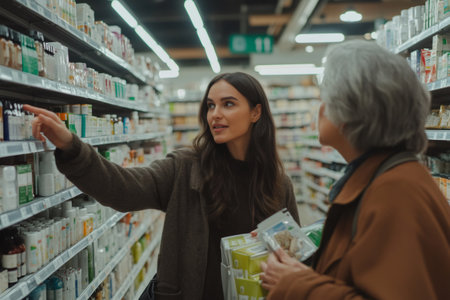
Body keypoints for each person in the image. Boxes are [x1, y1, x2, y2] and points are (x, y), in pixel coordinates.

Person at [24, 72, 300, 300]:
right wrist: (72, 147)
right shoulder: (185, 168)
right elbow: (123, 189)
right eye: (210, 105)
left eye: (228, 104)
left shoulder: (277, 185)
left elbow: (296, 257)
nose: (215, 114)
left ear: (255, 112)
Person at [260, 40, 450, 299]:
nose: (321, 108)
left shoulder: (395, 192)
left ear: (354, 111)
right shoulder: (384, 179)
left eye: (326, 98)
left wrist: (297, 284)